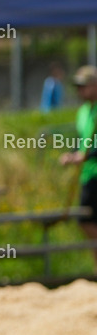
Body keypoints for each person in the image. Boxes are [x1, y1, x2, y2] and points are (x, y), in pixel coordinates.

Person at [59, 65, 97, 260]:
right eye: (78, 86)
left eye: (84, 86)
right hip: (88, 175)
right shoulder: (83, 112)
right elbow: (83, 140)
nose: (80, 90)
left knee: (86, 220)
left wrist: (86, 156)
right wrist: (72, 154)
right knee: (86, 221)